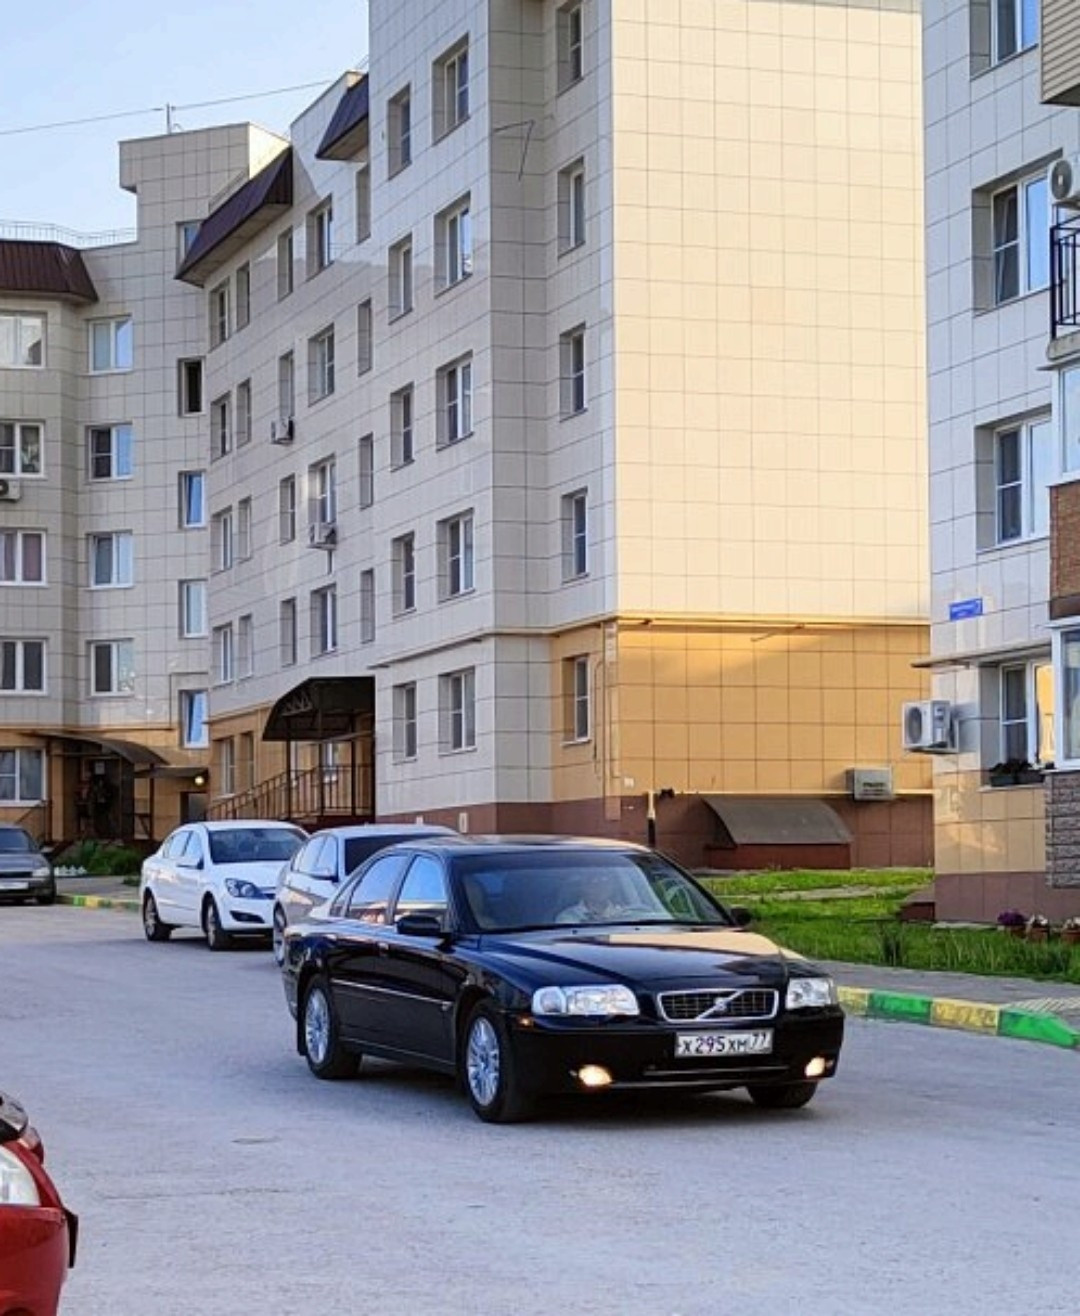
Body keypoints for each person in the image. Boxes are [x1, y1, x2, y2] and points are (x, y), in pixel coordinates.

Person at [556, 870, 629, 923]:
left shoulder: (625, 914)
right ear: (583, 887)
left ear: (612, 886)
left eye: (605, 880)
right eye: (593, 881)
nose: (600, 886)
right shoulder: (568, 916)